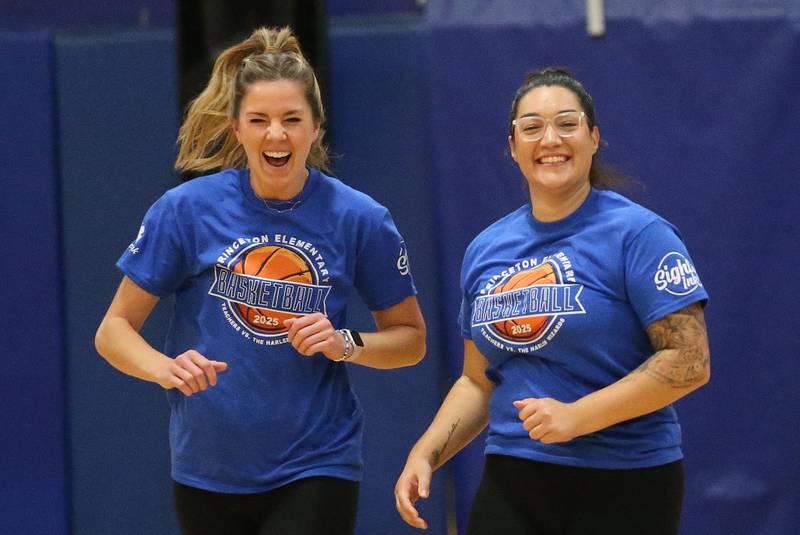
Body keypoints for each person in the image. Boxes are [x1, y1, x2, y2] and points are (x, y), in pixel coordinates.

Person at [95, 26, 426, 535]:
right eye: (260, 120)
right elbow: (113, 329)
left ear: (316, 127)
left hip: (317, 462)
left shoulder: (361, 218)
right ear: (237, 128)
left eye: (292, 120)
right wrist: (164, 368)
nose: (277, 135)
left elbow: (411, 340)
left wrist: (346, 342)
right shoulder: (186, 211)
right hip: (206, 468)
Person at [394, 67, 710, 535]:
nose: (551, 139)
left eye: (567, 123)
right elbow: (478, 382)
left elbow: (690, 360)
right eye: (533, 127)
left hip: (626, 481)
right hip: (514, 478)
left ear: (594, 137)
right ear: (513, 146)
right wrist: (426, 452)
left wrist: (577, 417)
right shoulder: (486, 249)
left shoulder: (640, 235)